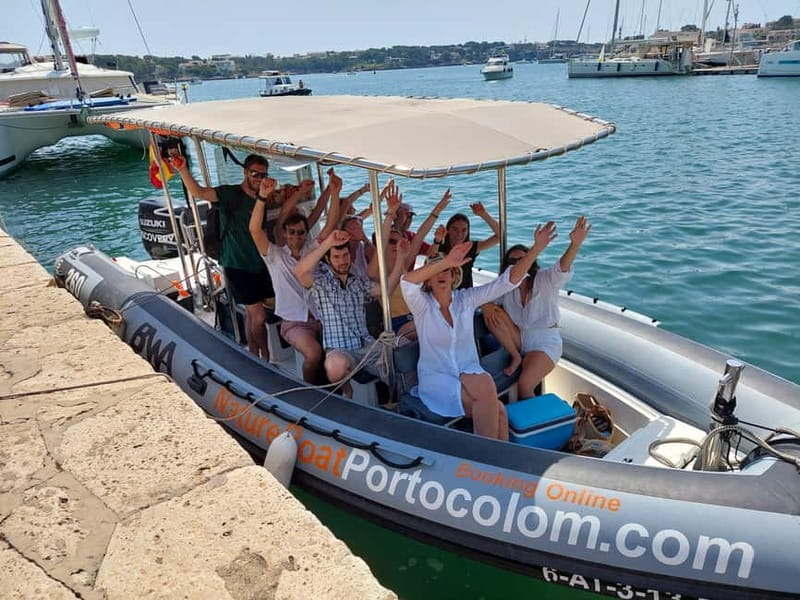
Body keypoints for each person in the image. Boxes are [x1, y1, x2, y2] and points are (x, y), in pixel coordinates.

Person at [400, 222, 557, 440]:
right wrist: (445, 261)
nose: (442, 274)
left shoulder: (465, 300)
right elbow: (407, 282)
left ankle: (493, 456)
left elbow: (506, 282)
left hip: (468, 370)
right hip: (438, 378)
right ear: (428, 279)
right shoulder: (422, 306)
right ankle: (494, 457)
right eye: (436, 271)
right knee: (495, 408)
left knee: (493, 403)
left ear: (454, 275)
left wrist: (536, 249)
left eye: (447, 270)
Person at [170, 152, 277, 361]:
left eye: (263, 175)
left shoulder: (263, 196)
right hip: (236, 264)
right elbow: (198, 192)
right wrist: (183, 170)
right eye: (255, 174)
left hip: (259, 263)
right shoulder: (229, 193)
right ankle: (265, 358)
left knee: (252, 313)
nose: (259, 179)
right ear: (245, 172)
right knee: (258, 316)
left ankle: (253, 354)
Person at [294, 222, 411, 398]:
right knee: (335, 366)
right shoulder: (321, 282)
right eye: (336, 257)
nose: (342, 261)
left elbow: (385, 290)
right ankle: (346, 390)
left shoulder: (358, 282)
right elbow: (299, 271)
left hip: (367, 346)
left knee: (404, 350)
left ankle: (402, 398)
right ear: (328, 260)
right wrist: (328, 243)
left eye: (345, 255)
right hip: (340, 350)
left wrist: (401, 257)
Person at [249, 169, 341, 384]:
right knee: (314, 354)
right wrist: (262, 197)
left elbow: (330, 225)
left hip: (322, 316)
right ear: (284, 233)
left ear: (306, 233)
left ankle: (334, 384)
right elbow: (255, 231)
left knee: (339, 350)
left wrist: (335, 192)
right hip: (294, 323)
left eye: (300, 232)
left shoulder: (312, 250)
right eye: (292, 232)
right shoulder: (274, 256)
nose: (296, 236)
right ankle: (311, 389)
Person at [483, 216, 592, 399]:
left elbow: (562, 267)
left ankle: (533, 416)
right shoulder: (506, 287)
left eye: (522, 259)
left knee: (525, 384)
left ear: (531, 261)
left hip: (545, 341)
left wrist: (575, 244)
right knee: (492, 310)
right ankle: (516, 357)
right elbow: (483, 296)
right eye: (512, 262)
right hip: (520, 340)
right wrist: (486, 306)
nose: (518, 264)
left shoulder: (544, 279)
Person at [368, 184, 451, 340]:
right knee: (435, 325)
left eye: (399, 242)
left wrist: (439, 208)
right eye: (392, 241)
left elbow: (420, 235)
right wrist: (390, 213)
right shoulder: (376, 270)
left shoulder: (403, 263)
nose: (396, 245)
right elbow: (382, 238)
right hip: (396, 324)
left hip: (415, 316)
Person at [431, 202, 501, 289]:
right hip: (442, 292)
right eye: (455, 229)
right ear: (448, 230)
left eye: (464, 230)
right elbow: (428, 261)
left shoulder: (470, 247)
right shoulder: (440, 246)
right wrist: (437, 240)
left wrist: (484, 215)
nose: (459, 234)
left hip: (465, 294)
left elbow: (500, 236)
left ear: (468, 231)